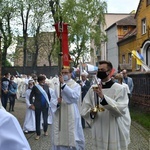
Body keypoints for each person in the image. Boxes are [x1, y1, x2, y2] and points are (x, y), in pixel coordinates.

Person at [81, 60, 131, 150]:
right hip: (98, 126)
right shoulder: (93, 89)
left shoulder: (120, 89)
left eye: (102, 69)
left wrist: (103, 98)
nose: (100, 72)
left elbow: (120, 110)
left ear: (109, 72)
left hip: (113, 127)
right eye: (99, 70)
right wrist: (92, 112)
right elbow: (85, 107)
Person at [51, 67, 85, 150]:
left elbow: (74, 97)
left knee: (72, 134)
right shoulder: (56, 86)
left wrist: (63, 85)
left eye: (66, 72)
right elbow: (52, 100)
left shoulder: (76, 85)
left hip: (71, 112)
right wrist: (56, 102)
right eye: (63, 73)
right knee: (59, 133)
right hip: (60, 113)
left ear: (70, 74)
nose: (64, 74)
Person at [29, 75, 51, 140]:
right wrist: (32, 104)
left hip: (45, 105)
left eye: (44, 80)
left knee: (45, 119)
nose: (43, 81)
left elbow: (49, 96)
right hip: (37, 105)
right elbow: (31, 96)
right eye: (42, 80)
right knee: (37, 120)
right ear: (39, 81)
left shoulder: (46, 87)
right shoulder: (35, 87)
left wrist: (48, 103)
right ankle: (38, 133)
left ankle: (45, 130)